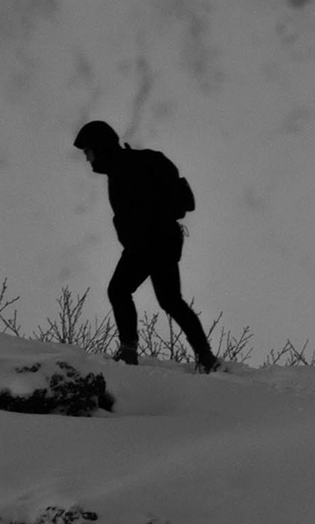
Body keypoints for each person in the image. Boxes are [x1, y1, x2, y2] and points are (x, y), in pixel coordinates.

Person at [73, 120, 217, 371]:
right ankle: (206, 357)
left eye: (88, 151)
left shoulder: (127, 166)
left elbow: (140, 209)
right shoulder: (129, 165)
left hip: (149, 242)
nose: (87, 158)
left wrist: (138, 236)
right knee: (171, 300)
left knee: (119, 290)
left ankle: (129, 352)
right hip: (163, 241)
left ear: (100, 146)